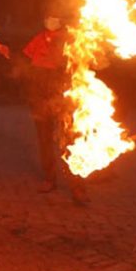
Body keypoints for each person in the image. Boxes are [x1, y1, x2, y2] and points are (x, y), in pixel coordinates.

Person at [22, 14, 89, 204]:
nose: (50, 20)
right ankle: (49, 179)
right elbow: (24, 62)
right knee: (44, 141)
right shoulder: (38, 38)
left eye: (54, 17)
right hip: (40, 98)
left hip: (61, 96)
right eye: (48, 17)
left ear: (60, 21)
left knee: (69, 141)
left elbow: (78, 66)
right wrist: (7, 52)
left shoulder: (70, 40)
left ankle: (77, 187)